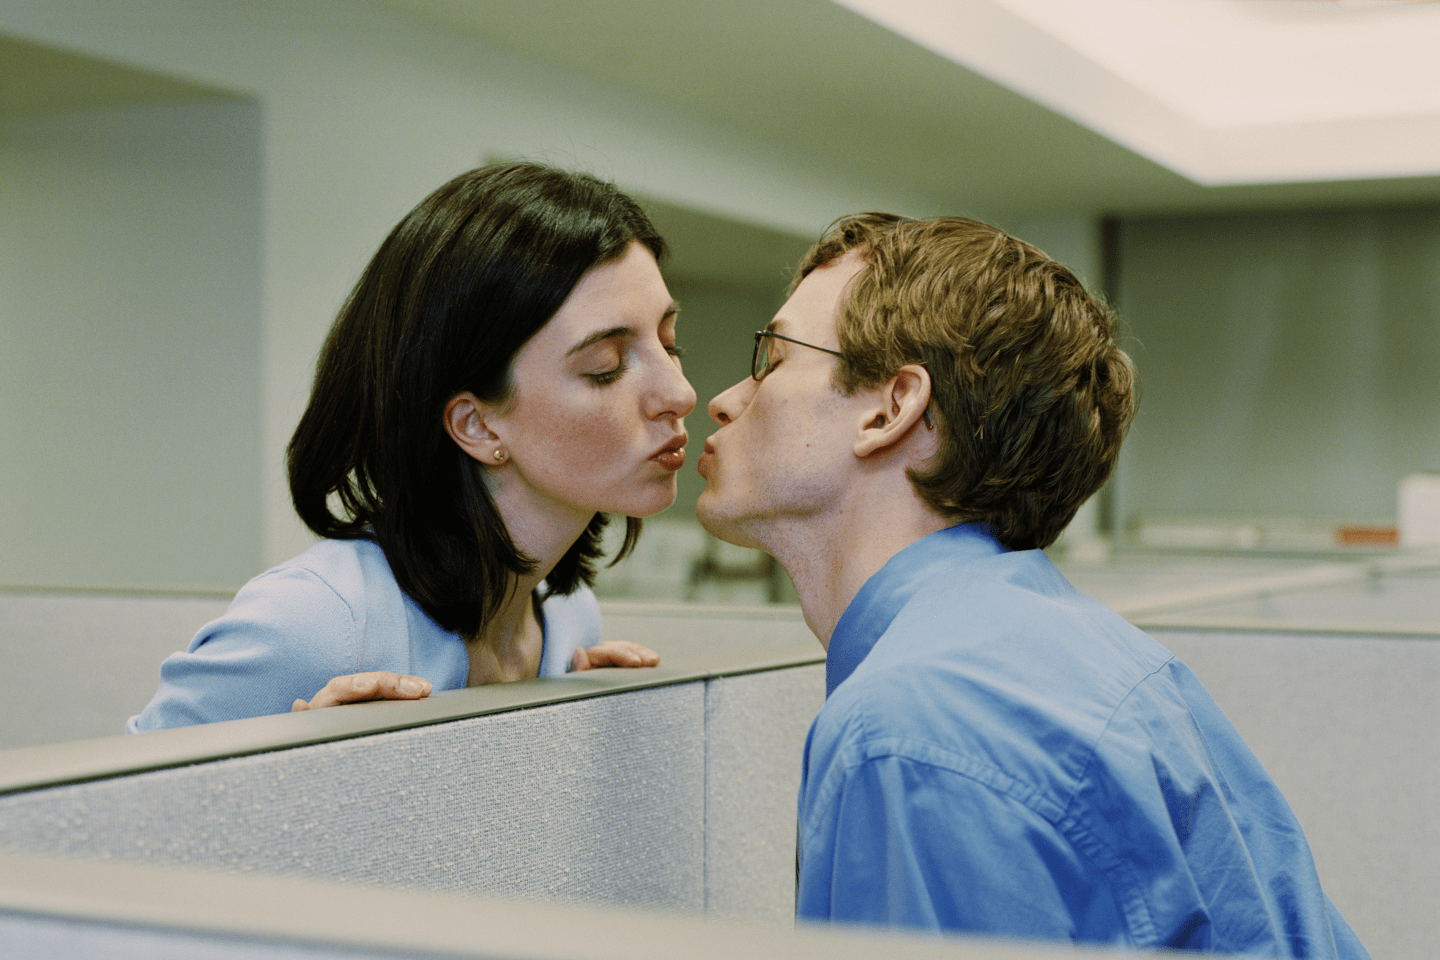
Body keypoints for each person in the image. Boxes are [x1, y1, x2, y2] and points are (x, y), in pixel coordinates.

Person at [695, 213, 1368, 956]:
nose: (725, 398)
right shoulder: (1100, 653)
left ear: (891, 409)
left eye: (774, 358)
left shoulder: (910, 727)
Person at [129, 163, 692, 732]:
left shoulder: (570, 623)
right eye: (606, 367)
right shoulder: (314, 624)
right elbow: (88, 816)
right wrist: (295, 784)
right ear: (476, 425)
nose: (680, 392)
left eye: (670, 344)